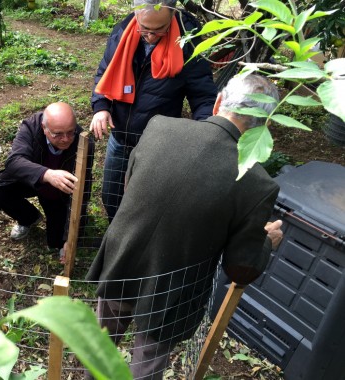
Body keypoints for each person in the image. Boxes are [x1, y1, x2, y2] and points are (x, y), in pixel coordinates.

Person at [85, 74, 284, 379]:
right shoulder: (257, 183)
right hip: (172, 291)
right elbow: (240, 269)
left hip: (121, 260)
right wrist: (265, 242)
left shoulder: (160, 126)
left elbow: (130, 185)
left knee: (100, 350)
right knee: (146, 367)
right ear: (266, 123)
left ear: (218, 101)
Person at [90, 0, 217, 221]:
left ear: (172, 15)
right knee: (111, 197)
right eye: (145, 28)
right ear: (136, 15)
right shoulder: (123, 31)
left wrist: (206, 131)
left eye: (159, 29)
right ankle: (117, 235)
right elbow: (105, 71)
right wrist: (101, 107)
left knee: (146, 202)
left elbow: (203, 95)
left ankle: (138, 244)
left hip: (158, 143)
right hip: (121, 135)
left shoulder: (187, 42)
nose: (150, 36)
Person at [0, 102, 94, 257]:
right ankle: (29, 218)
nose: (65, 139)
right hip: (31, 181)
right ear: (44, 128)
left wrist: (70, 239)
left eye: (70, 132)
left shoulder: (84, 143)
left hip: (59, 192)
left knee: (56, 243)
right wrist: (47, 174)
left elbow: (83, 191)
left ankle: (58, 232)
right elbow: (14, 162)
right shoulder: (31, 127)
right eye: (58, 134)